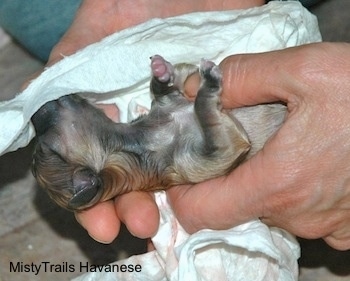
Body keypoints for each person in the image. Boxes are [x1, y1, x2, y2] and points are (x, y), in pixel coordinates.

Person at [4, 0, 350, 251]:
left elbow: (169, 106)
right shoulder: (174, 166)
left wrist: (164, 86)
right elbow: (232, 145)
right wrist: (206, 101)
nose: (45, 113)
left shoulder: (147, 128)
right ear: (87, 176)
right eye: (48, 141)